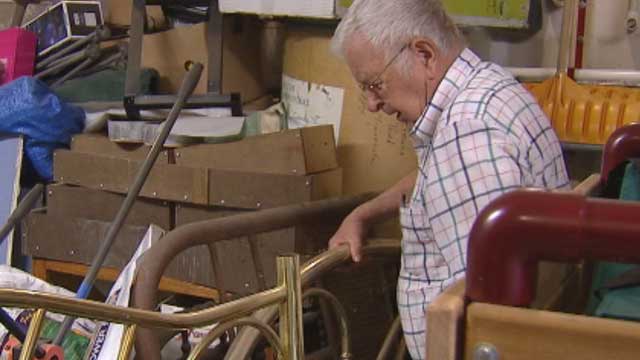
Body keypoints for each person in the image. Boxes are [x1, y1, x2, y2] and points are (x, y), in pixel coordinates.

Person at [327, 0, 570, 358]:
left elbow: (487, 315)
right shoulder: (486, 90)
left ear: (424, 54)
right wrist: (365, 213)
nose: (371, 104)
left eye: (375, 84)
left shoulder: (467, 133)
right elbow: (438, 172)